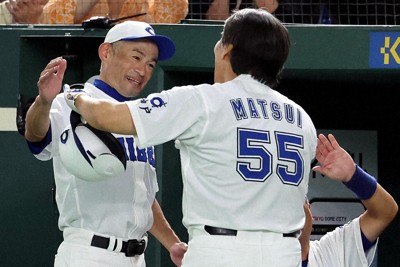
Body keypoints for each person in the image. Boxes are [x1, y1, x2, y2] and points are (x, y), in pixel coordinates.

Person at [64, 8, 318, 267]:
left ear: (228, 50)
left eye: (220, 40)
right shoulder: (302, 119)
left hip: (222, 251)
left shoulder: (203, 100)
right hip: (284, 253)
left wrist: (74, 96)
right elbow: (304, 211)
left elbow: (107, 117)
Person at [24, 21, 187, 266]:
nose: (142, 70)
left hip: (136, 257)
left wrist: (172, 243)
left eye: (150, 64)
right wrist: (44, 102)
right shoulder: (73, 101)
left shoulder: (139, 116)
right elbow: (36, 137)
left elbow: (142, 198)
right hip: (90, 252)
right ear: (106, 52)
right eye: (136, 57)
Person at [300, 133, 398, 267]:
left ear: (311, 213)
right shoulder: (261, 258)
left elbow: (384, 212)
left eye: (297, 202)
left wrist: (353, 176)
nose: (291, 213)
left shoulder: (333, 250)